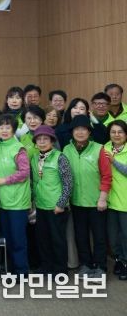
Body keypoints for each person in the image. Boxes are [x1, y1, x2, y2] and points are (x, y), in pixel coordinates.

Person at [63, 115, 110, 278]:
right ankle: (86, 264)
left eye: (84, 129)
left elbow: (106, 176)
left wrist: (102, 198)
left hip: (96, 201)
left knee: (99, 236)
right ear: (72, 132)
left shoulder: (99, 148)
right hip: (76, 201)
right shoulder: (67, 150)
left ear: (89, 132)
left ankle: (100, 266)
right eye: (77, 129)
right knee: (81, 236)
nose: (80, 132)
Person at [0, 114, 31, 276]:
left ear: (14, 130)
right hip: (2, 200)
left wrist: (4, 180)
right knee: (7, 238)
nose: (4, 130)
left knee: (18, 239)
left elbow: (24, 173)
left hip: (17, 201)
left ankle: (22, 271)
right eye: (1, 127)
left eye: (8, 127)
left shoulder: (19, 148)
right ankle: (11, 269)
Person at [30, 125, 72, 276]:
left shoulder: (60, 157)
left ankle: (60, 269)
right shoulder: (34, 158)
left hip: (56, 206)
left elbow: (68, 182)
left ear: (52, 141)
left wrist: (61, 203)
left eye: (45, 139)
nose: (42, 142)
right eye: (39, 139)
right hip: (41, 205)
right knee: (43, 239)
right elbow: (34, 181)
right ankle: (46, 266)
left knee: (57, 240)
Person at [104, 120, 127, 280]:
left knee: (126, 235)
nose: (116, 135)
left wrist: (114, 161)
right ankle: (119, 260)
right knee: (112, 236)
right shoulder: (104, 148)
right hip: (109, 199)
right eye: (113, 132)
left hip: (125, 200)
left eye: (120, 132)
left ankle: (125, 262)